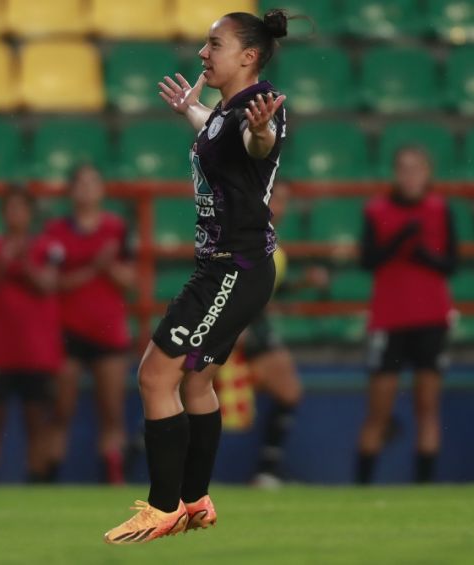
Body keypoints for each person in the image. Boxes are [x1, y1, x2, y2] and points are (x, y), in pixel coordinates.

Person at [104, 10, 290, 544]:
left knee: (153, 376)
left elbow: (259, 141)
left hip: (234, 268)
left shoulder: (259, 109)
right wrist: (193, 110)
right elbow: (225, 134)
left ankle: (163, 508)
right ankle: (196, 500)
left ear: (248, 56)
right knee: (196, 380)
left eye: (215, 44)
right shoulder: (229, 111)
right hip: (233, 267)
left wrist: (262, 132)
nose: (204, 53)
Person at [355, 146, 458, 485]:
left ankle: (424, 487)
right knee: (378, 412)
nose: (410, 175)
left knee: (427, 407)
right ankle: (363, 488)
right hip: (389, 318)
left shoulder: (440, 209)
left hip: (431, 317)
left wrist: (421, 253)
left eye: (417, 169)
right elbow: (368, 260)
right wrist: (399, 240)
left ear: (428, 173)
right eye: (404, 168)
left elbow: (451, 264)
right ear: (395, 173)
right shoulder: (377, 210)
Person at [44, 163, 135, 484]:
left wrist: (107, 267)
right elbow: (51, 283)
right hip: (68, 330)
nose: (85, 189)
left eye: (92, 182)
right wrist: (94, 267)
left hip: (108, 330)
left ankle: (112, 476)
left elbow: (129, 279)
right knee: (60, 410)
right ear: (71, 191)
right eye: (80, 183)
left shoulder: (116, 228)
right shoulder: (55, 231)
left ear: (102, 190)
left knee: (111, 412)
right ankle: (48, 478)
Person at [238, 181, 329, 487]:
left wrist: (302, 283)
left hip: (250, 325)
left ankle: (268, 470)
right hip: (239, 326)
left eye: (286, 199)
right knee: (194, 394)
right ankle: (267, 470)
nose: (281, 205)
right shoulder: (243, 235)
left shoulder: (272, 245)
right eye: (277, 196)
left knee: (287, 392)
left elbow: (267, 288)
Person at [0, 188, 63, 483]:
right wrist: (1, 265)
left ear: (30, 214)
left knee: (36, 419)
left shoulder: (47, 248)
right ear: (2, 214)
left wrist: (23, 265)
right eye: (10, 209)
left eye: (21, 209)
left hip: (35, 349)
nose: (15, 215)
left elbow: (49, 284)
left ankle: (38, 479)